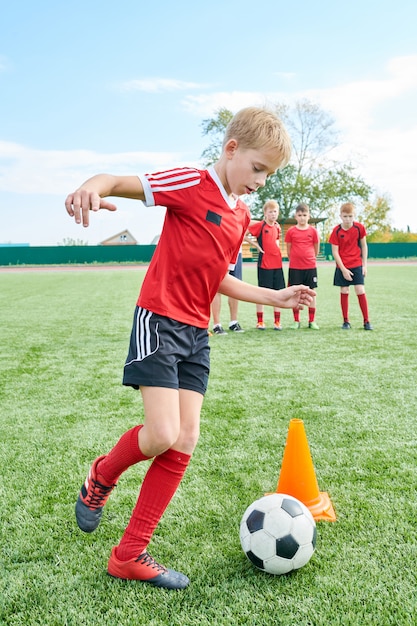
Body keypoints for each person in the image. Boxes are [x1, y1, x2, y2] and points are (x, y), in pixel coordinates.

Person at [65, 106, 316, 591]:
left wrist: (274, 296)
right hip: (158, 318)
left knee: (184, 440)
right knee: (161, 433)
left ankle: (130, 553)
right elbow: (118, 181)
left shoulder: (240, 215)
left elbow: (218, 276)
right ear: (231, 150)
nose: (261, 182)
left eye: (270, 174)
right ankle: (101, 477)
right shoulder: (189, 181)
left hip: (197, 333)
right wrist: (90, 188)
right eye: (258, 168)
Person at [328, 202, 373, 330]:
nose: (348, 219)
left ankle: (366, 321)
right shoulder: (336, 231)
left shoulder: (359, 228)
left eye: (350, 216)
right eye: (345, 216)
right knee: (344, 290)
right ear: (340, 216)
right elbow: (335, 252)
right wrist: (343, 270)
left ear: (354, 216)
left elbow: (364, 246)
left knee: (360, 290)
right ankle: (346, 321)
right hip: (342, 266)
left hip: (357, 264)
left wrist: (364, 265)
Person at [245, 199, 285, 330]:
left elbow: (277, 241)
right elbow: (244, 233)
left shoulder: (278, 226)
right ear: (265, 213)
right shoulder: (260, 226)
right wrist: (256, 244)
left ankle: (277, 321)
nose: (273, 214)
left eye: (275, 212)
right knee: (262, 293)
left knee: (278, 293)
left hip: (277, 265)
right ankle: (260, 321)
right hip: (264, 264)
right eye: (270, 212)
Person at [284, 203, 320, 329]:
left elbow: (316, 248)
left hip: (310, 267)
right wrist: (295, 259)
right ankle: (296, 320)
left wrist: (309, 258)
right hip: (295, 268)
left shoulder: (313, 231)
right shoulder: (291, 231)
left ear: (309, 216)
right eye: (300, 215)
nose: (302, 218)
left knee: (311, 292)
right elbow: (288, 249)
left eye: (304, 215)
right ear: (295, 216)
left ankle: (312, 321)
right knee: (295, 293)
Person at [211, 249, 244, 334]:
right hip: (219, 250)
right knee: (217, 287)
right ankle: (216, 324)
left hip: (236, 252)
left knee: (235, 287)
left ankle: (234, 322)